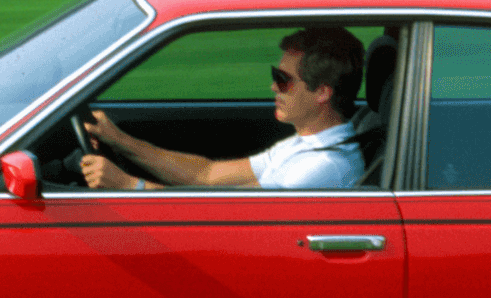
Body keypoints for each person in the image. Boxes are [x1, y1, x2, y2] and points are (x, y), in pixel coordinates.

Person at [82, 26, 366, 190]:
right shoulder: (305, 145)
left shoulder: (321, 167)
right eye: (275, 77)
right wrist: (119, 141)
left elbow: (224, 214)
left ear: (322, 93)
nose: (273, 87)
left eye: (283, 81)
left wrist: (129, 187)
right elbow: (206, 175)